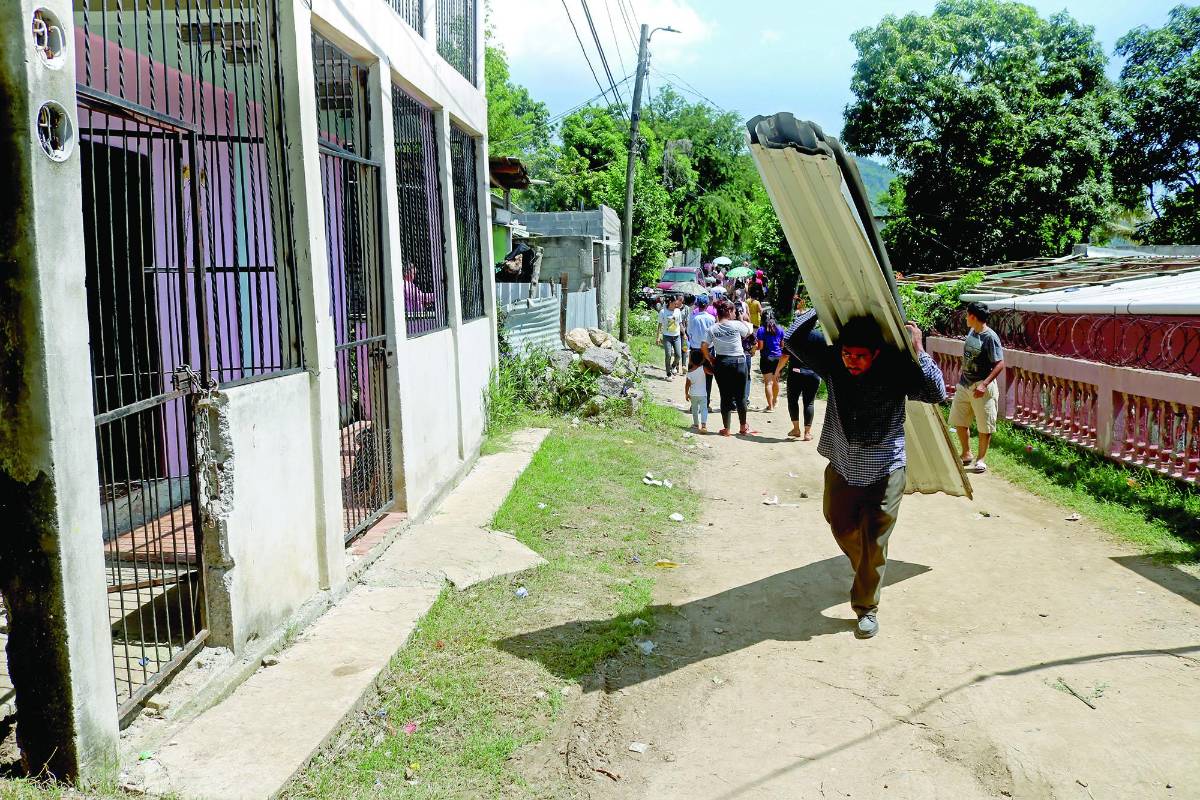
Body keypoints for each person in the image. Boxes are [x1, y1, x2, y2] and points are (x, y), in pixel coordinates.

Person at [786, 310, 947, 639]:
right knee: (839, 523)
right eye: (847, 354)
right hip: (843, 464)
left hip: (886, 467)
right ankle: (868, 566)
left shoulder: (897, 368)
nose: (852, 362)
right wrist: (819, 303)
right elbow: (794, 340)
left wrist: (919, 350)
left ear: (876, 353)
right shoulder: (832, 362)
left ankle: (866, 607)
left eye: (860, 356)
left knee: (874, 539)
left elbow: (937, 394)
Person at [950, 301, 1005, 473]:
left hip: (981, 387)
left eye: (967, 315)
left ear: (973, 316)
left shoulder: (990, 337)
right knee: (959, 421)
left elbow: (1000, 364)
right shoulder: (973, 331)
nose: (966, 317)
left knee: (984, 425)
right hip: (964, 384)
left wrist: (984, 384)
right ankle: (966, 453)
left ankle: (981, 460)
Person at [702, 299, 754, 436]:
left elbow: (704, 346)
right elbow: (749, 331)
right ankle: (743, 427)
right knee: (740, 397)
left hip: (722, 362)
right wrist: (742, 318)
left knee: (725, 396)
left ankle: (727, 429)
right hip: (739, 362)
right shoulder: (736, 325)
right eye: (734, 312)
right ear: (730, 311)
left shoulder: (712, 328)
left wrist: (710, 358)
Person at [776, 299, 821, 440]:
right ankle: (807, 433)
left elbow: (784, 356)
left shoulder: (793, 338)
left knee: (793, 400)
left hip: (795, 373)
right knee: (809, 402)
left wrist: (777, 371)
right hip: (813, 374)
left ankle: (796, 430)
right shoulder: (820, 337)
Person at [687, 295, 716, 403]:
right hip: (708, 351)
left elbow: (689, 333)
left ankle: (694, 403)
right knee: (708, 378)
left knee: (694, 378)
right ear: (707, 305)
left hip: (695, 350)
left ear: (697, 305)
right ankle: (706, 403)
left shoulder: (693, 319)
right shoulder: (712, 319)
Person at [756, 309, 785, 411]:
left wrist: (754, 348)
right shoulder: (780, 329)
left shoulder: (761, 330)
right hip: (778, 358)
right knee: (776, 381)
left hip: (766, 358)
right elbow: (782, 345)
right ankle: (775, 401)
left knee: (768, 383)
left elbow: (761, 346)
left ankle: (770, 406)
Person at [657, 296, 684, 379]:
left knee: (678, 355)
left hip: (676, 336)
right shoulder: (662, 312)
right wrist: (658, 337)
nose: (676, 305)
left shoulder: (678, 311)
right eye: (674, 303)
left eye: (677, 304)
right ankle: (668, 374)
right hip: (667, 336)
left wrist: (684, 334)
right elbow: (660, 325)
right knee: (668, 355)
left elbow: (680, 323)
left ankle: (673, 366)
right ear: (670, 302)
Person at [684, 351, 710, 432]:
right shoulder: (704, 369)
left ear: (691, 361)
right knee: (704, 409)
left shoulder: (689, 372)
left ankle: (696, 424)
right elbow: (711, 373)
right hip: (703, 394)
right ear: (702, 360)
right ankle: (703, 425)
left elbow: (687, 385)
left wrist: (686, 394)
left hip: (693, 394)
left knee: (694, 410)